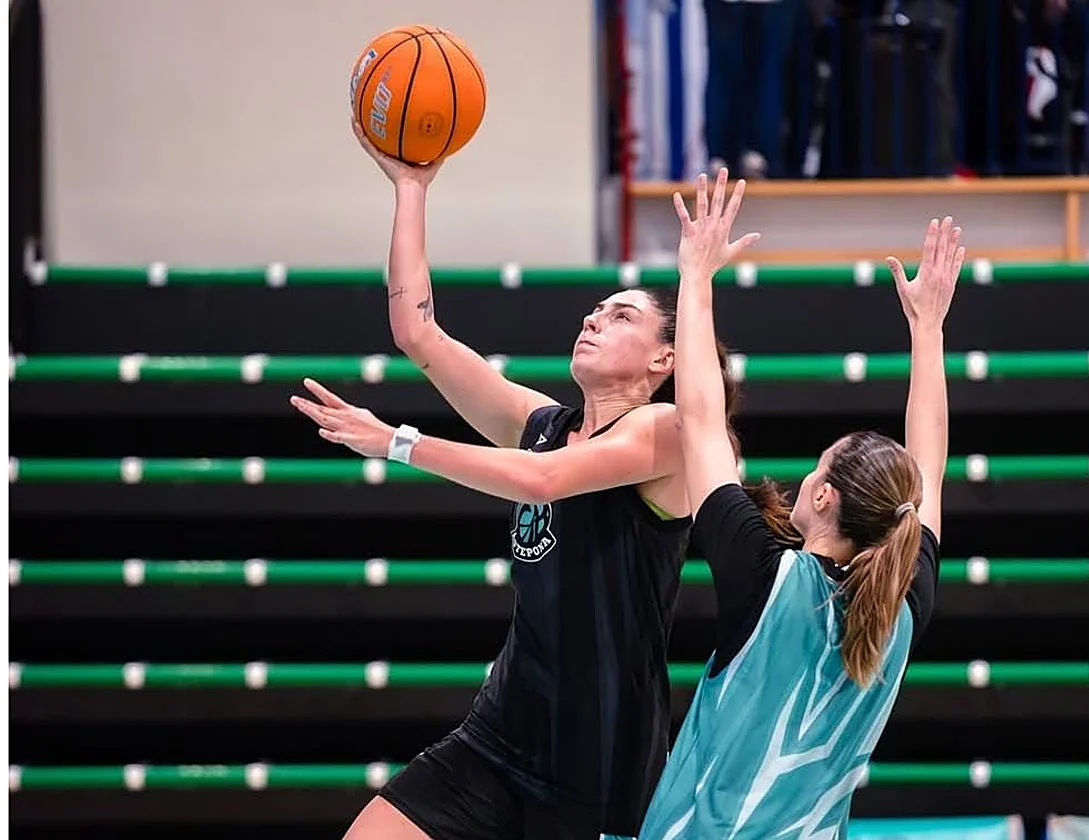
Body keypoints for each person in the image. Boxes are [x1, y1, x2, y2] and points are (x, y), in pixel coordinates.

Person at [289, 122, 746, 840]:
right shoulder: (541, 423)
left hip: (599, 758)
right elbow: (418, 333)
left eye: (620, 315)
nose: (593, 319)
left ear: (664, 361)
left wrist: (399, 443)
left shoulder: (668, 438)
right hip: (503, 731)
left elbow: (543, 481)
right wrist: (411, 187)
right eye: (594, 309)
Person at [608, 171, 961, 839]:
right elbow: (931, 468)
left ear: (825, 496)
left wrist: (696, 276)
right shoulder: (901, 610)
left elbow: (702, 419)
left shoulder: (768, 582)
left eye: (817, 468)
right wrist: (928, 330)